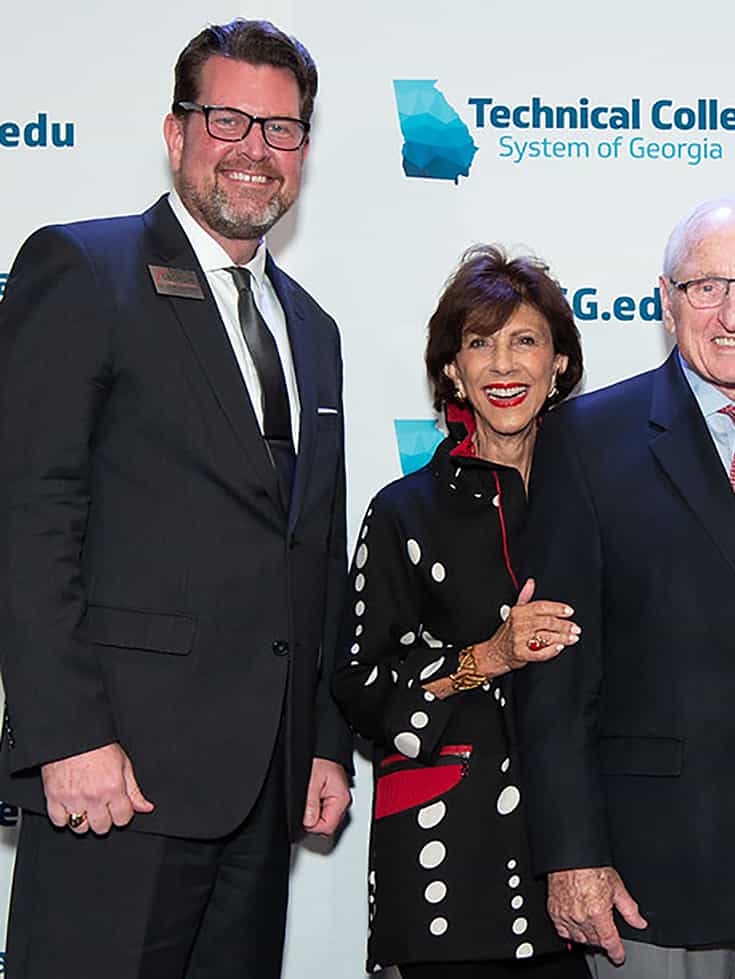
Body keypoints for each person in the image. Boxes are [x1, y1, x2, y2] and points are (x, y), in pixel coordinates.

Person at [0, 18, 352, 979]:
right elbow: (30, 519)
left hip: (262, 789)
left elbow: (312, 550)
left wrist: (321, 741)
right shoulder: (82, 270)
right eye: (229, 120)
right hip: (116, 782)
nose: (255, 151)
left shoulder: (311, 329)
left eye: (281, 130)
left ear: (304, 153)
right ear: (175, 131)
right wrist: (67, 736)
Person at [513, 198, 735, 979]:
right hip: (650, 868)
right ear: (667, 301)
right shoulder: (585, 439)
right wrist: (572, 854)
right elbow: (555, 672)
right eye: (707, 287)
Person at [332, 245, 589, 979]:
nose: (503, 366)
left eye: (525, 340)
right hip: (447, 873)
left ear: (560, 364)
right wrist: (488, 657)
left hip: (585, 868)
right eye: (479, 343)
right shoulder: (403, 512)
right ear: (453, 370)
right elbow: (358, 685)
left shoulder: (603, 500)